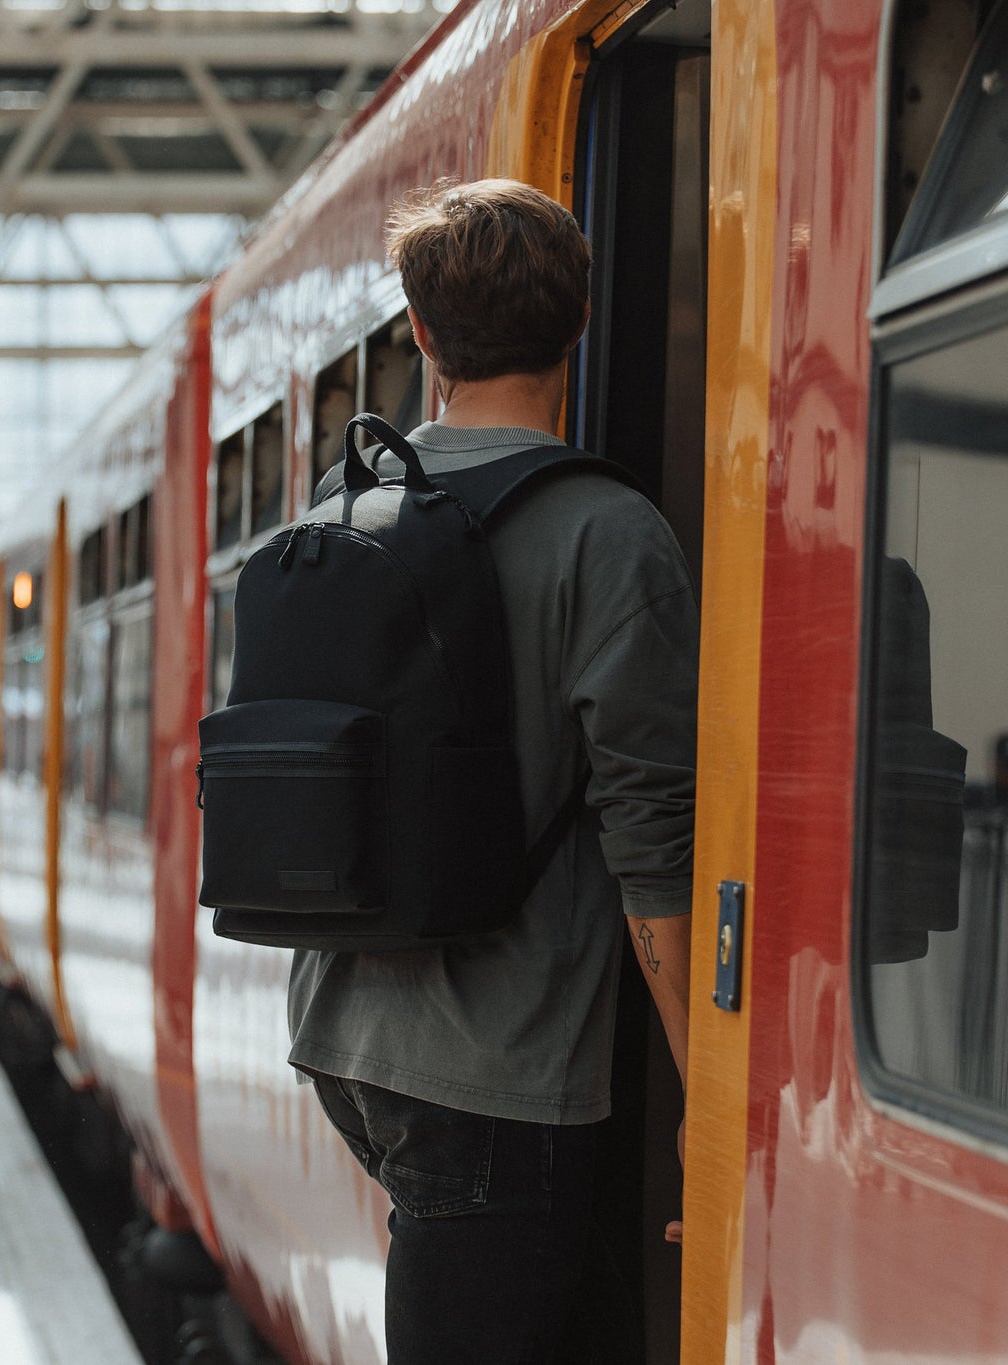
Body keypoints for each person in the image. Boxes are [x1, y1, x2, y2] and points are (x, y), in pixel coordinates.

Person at [288, 179, 699, 1364]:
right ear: (578, 324)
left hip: (343, 1032)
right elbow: (651, 840)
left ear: (419, 334)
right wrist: (703, 1088)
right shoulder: (610, 535)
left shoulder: (348, 503)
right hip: (498, 1072)